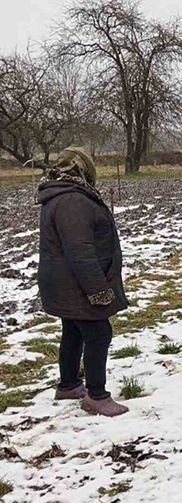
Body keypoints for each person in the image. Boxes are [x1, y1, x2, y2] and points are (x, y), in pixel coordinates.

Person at [37, 147, 130, 416]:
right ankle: (97, 396)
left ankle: (68, 385)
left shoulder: (62, 194)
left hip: (65, 281)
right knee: (99, 333)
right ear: (82, 168)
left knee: (74, 330)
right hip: (76, 283)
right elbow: (80, 251)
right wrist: (98, 290)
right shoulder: (72, 201)